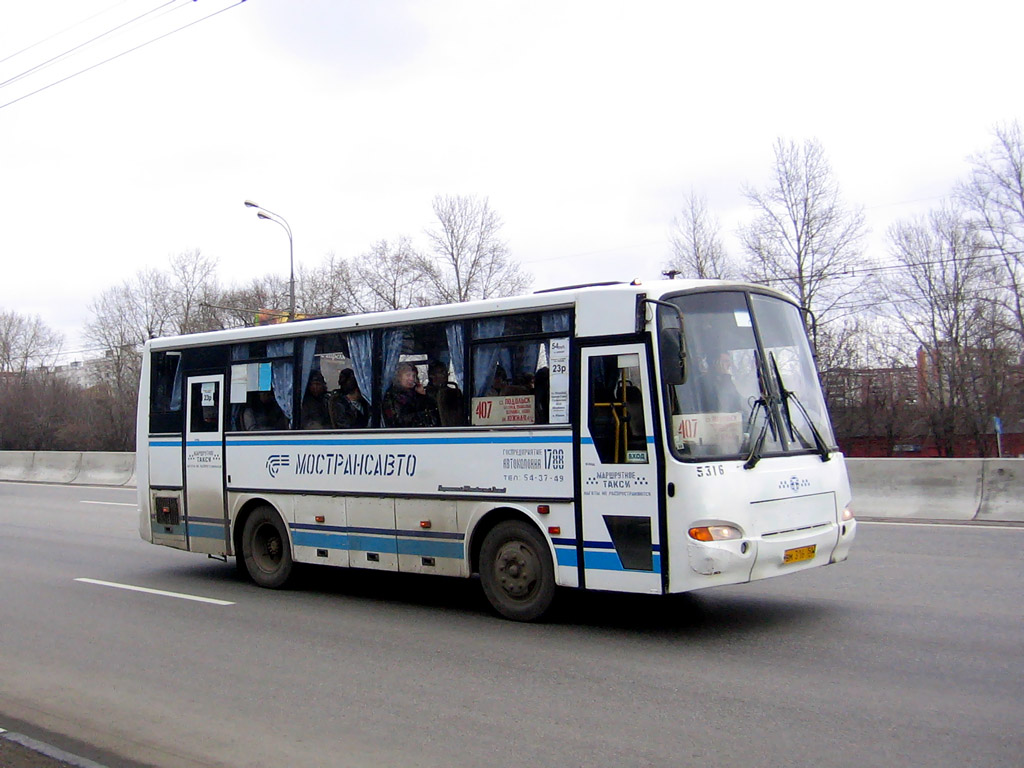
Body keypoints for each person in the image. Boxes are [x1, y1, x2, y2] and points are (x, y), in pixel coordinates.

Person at [382, 362, 440, 428]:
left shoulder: (416, 393)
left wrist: (423, 395)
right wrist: (421, 416)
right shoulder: (392, 395)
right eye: (408, 375)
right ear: (399, 377)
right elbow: (399, 420)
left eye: (414, 376)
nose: (412, 379)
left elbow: (433, 411)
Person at [424, 359, 464, 426]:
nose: (445, 375)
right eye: (442, 372)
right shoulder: (425, 395)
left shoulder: (454, 392)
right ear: (432, 375)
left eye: (446, 372)